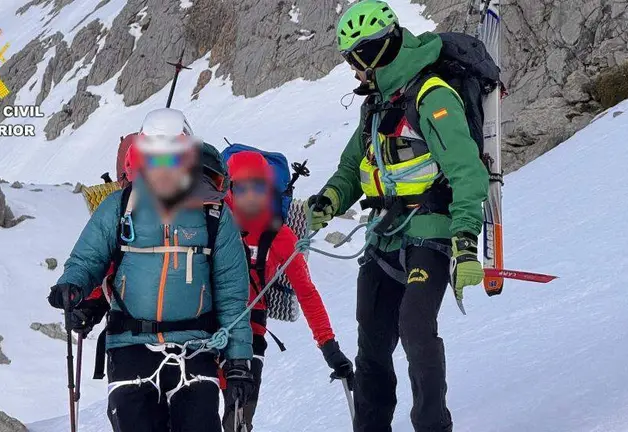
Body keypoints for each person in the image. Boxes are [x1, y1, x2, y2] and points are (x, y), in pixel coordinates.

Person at [307, 1, 489, 431]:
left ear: (368, 54)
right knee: (371, 341)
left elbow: (467, 172)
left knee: (416, 330)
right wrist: (330, 199)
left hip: (430, 232)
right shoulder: (377, 104)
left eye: (353, 58)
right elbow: (353, 166)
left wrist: (464, 241)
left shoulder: (432, 96)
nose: (352, 69)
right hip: (383, 237)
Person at [48, 108, 255, 432]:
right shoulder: (119, 207)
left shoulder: (214, 214)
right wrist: (71, 286)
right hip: (129, 347)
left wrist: (239, 361)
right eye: (155, 159)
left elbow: (232, 293)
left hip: (197, 347)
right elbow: (87, 259)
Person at [221, 151, 354, 431]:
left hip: (252, 329)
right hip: (210, 326)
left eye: (257, 187)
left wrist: (330, 349)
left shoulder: (279, 236)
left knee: (240, 418)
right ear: (229, 187)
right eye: (241, 187)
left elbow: (306, 293)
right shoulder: (213, 223)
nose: (249, 195)